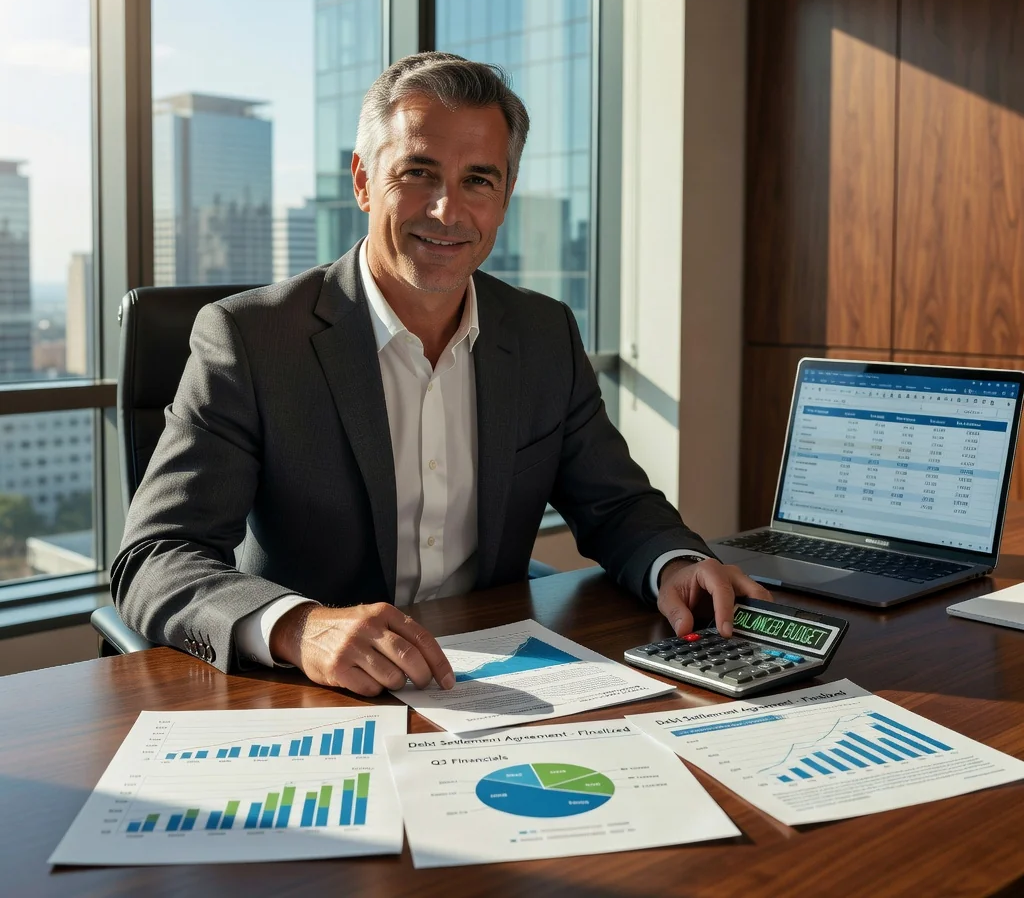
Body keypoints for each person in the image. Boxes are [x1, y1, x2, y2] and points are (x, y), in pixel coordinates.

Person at [113, 51, 769, 695]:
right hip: (319, 694)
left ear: (505, 197)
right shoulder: (252, 339)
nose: (447, 211)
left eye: (478, 180)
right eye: (418, 174)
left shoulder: (542, 335)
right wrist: (298, 627)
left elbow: (616, 503)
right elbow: (158, 559)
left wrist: (676, 562)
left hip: (494, 675)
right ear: (364, 181)